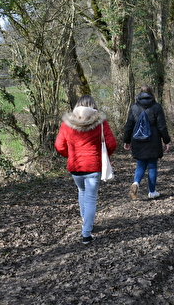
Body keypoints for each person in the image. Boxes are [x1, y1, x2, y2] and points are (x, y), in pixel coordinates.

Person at [54, 94, 117, 244]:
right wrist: (104, 155)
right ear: (93, 106)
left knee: (82, 192)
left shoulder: (67, 124)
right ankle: (86, 233)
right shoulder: (100, 123)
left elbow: (59, 146)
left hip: (75, 167)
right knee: (90, 199)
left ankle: (86, 222)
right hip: (93, 166)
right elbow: (112, 144)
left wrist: (69, 156)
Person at [123, 84, 171, 200]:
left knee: (140, 164)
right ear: (151, 93)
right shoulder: (156, 107)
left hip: (138, 140)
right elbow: (162, 126)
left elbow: (129, 125)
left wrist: (126, 140)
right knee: (152, 166)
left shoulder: (134, 107)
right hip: (153, 140)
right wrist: (166, 141)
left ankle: (136, 183)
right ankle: (152, 192)